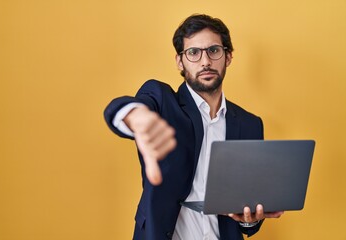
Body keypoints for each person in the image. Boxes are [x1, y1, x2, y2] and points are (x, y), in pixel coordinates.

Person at [104, 14, 283, 240]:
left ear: (228, 57)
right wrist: (135, 116)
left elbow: (249, 219)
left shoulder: (250, 125)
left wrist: (251, 220)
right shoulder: (161, 100)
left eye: (214, 50)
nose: (205, 61)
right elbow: (121, 109)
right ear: (180, 61)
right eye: (193, 53)